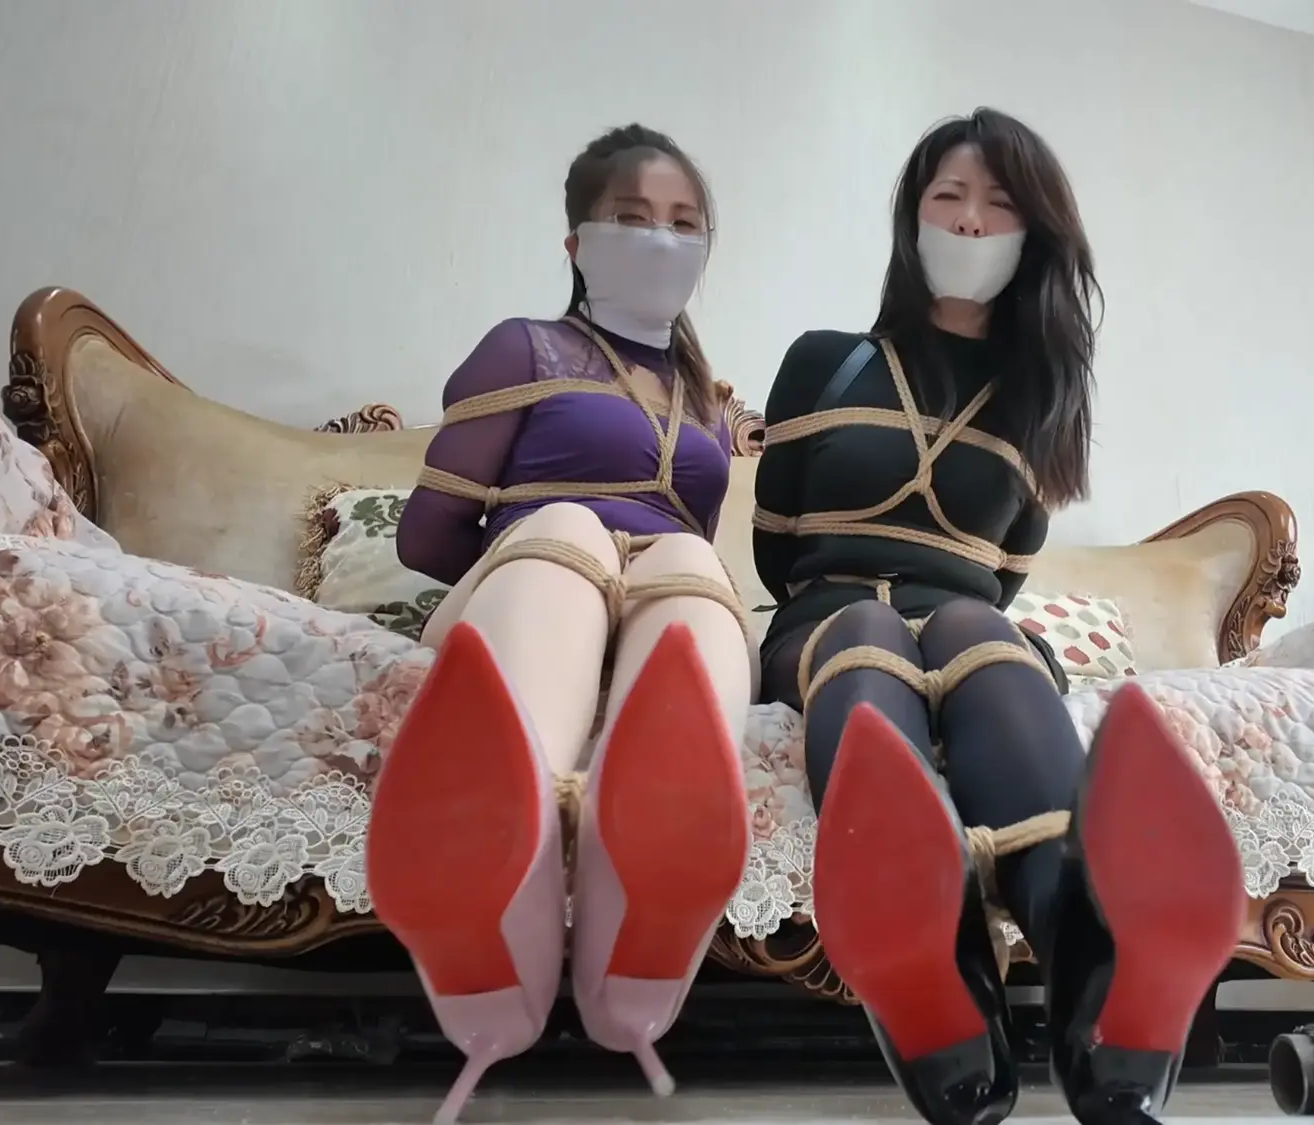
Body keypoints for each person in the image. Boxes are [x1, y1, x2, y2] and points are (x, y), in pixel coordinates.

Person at [752, 109, 1246, 1125]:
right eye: (949, 197)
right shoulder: (823, 362)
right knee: (867, 635)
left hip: (968, 621)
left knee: (981, 630)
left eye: (998, 204)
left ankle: (1093, 972)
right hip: (831, 615)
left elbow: (1001, 580)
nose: (971, 222)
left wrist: (943, 616)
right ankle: (944, 976)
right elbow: (775, 547)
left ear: (1035, 235)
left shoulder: (1039, 403)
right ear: (912, 218)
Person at [368, 124, 751, 1123]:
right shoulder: (523, 348)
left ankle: (638, 924)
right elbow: (426, 535)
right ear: (577, 242)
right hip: (531, 580)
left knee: (688, 562)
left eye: (684, 223)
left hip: (659, 602)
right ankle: (511, 839)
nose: (661, 238)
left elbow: (692, 537)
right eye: (633, 217)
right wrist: (563, 561)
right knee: (571, 528)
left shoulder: (706, 402)